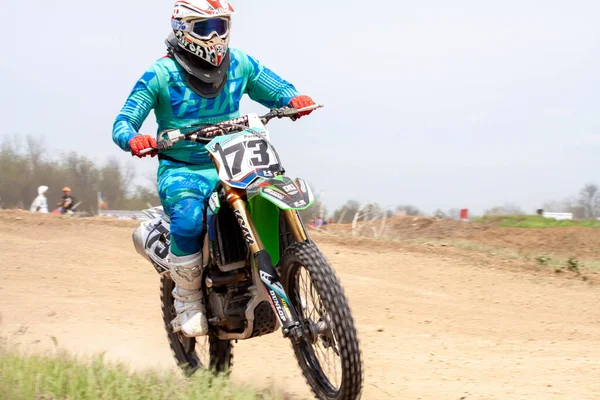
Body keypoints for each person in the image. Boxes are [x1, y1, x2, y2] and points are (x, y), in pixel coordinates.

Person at [112, 0, 315, 338]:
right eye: (206, 28)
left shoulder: (239, 64)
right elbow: (124, 121)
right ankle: (187, 301)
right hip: (184, 167)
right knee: (189, 218)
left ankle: (294, 272)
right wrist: (135, 139)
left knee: (273, 194)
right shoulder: (161, 74)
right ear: (183, 29)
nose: (216, 36)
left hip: (236, 157)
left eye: (222, 26)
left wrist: (292, 100)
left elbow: (276, 88)